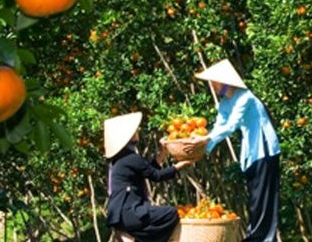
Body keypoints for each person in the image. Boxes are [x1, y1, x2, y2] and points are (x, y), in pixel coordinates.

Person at [185, 59, 281, 242]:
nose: (211, 86)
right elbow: (219, 127)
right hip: (251, 154)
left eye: (213, 82)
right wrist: (200, 150)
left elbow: (231, 125)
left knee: (264, 197)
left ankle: (262, 238)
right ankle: (257, 236)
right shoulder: (225, 103)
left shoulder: (245, 97)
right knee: (255, 198)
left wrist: (205, 138)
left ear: (223, 81)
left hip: (264, 149)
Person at [104, 112, 192, 242]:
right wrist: (181, 165)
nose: (137, 131)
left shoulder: (122, 158)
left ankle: (130, 235)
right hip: (130, 213)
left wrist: (163, 152)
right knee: (171, 213)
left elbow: (148, 170)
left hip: (121, 215)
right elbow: (156, 176)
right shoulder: (130, 158)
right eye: (134, 130)